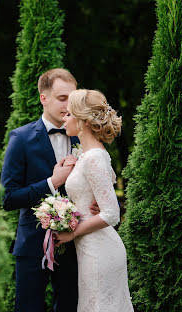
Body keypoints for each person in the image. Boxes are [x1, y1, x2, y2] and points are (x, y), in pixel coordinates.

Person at [1, 68, 99, 312]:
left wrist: (94, 203)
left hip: (76, 244)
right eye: (62, 98)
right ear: (43, 98)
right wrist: (51, 183)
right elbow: (9, 198)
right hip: (33, 245)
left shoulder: (83, 138)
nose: (69, 105)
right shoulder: (21, 138)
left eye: (73, 97)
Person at [56, 89, 134, 312]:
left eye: (69, 114)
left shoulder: (94, 158)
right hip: (90, 248)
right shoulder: (88, 155)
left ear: (83, 121)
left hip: (100, 250)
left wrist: (72, 232)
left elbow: (111, 213)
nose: (64, 118)